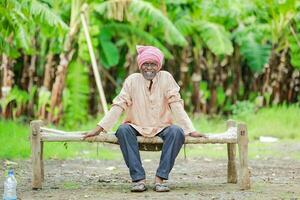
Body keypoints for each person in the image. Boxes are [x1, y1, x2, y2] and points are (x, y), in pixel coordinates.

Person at [83, 45, 206, 192]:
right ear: (140, 66)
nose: (149, 68)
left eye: (153, 64)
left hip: (162, 127)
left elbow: (176, 105)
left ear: (158, 66)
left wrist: (191, 130)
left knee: (177, 132)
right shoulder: (132, 80)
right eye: (146, 64)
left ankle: (160, 179)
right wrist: (99, 129)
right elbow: (119, 105)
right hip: (136, 126)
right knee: (122, 130)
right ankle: (138, 180)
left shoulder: (166, 78)